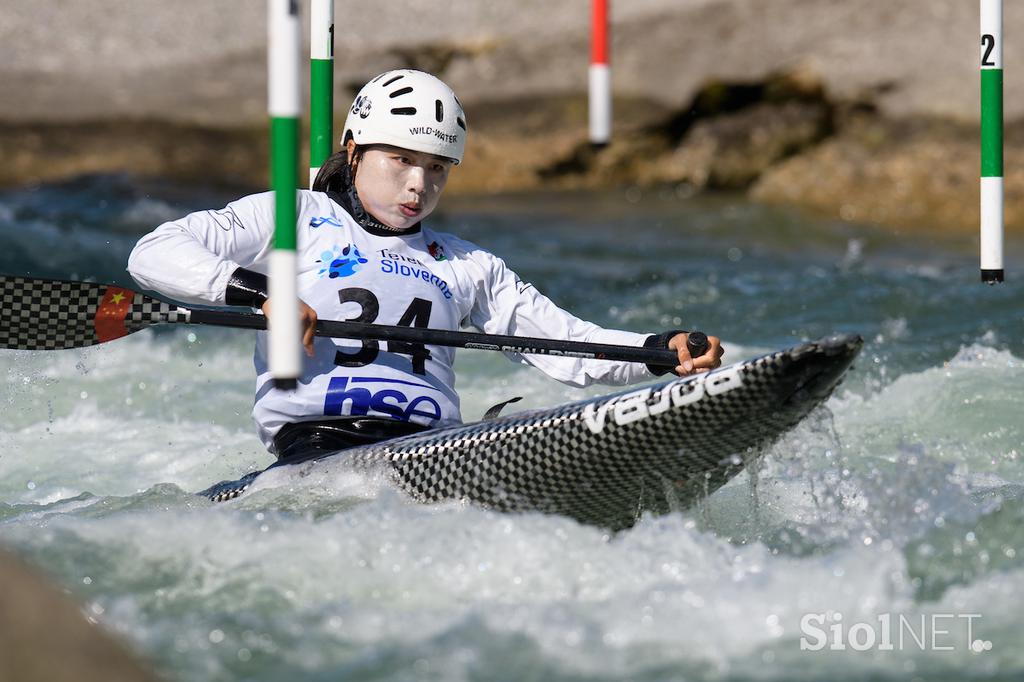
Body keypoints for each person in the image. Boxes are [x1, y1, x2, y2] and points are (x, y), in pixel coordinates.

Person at [128, 69, 724, 461]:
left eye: (438, 167)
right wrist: (259, 294)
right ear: (355, 152)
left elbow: (569, 346)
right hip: (319, 446)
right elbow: (153, 252)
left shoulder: (466, 264)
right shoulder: (295, 217)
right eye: (401, 159)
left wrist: (657, 350)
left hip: (435, 451)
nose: (419, 184)